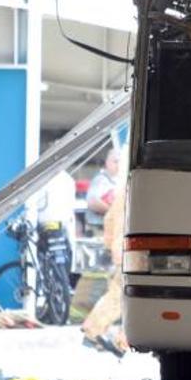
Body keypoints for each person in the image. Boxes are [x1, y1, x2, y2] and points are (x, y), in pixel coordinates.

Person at [81, 148, 128, 357]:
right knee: (120, 296)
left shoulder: (121, 191)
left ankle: (117, 338)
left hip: (121, 249)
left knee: (121, 295)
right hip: (126, 251)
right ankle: (94, 332)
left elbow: (109, 220)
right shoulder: (128, 191)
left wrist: (111, 245)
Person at [84, 148, 119, 236]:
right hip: (99, 229)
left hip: (111, 228)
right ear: (107, 162)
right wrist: (114, 212)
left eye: (120, 162)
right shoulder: (100, 180)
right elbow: (92, 202)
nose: (118, 165)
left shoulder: (119, 180)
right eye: (115, 161)